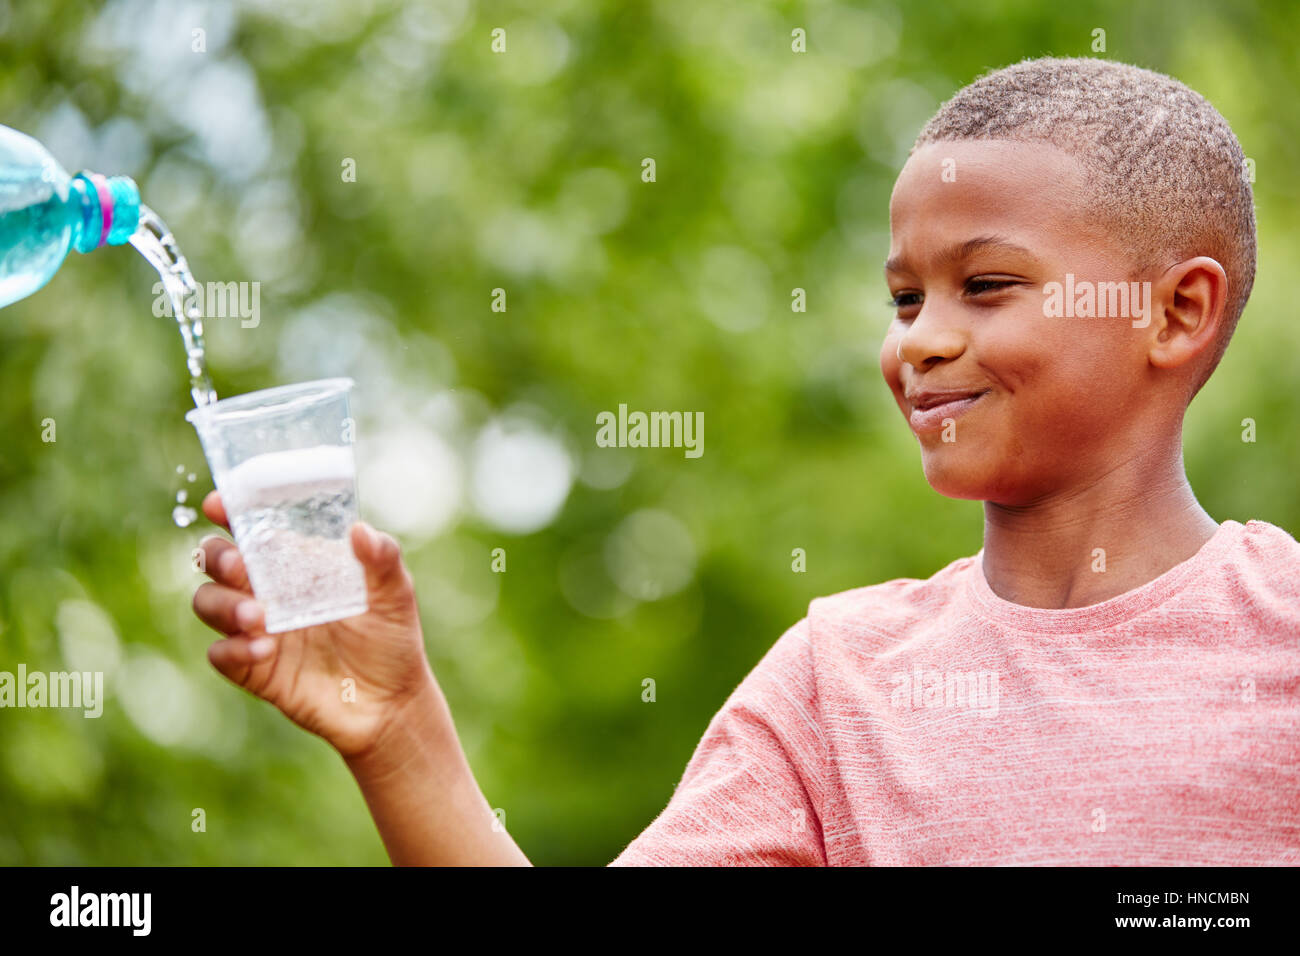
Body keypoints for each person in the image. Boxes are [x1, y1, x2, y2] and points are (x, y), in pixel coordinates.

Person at [191, 57, 1300, 865]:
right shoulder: (839, 679)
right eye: (904, 297)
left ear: (1176, 312)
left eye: (987, 285)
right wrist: (398, 730)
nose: (918, 338)